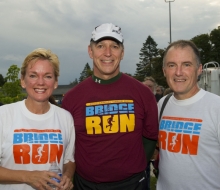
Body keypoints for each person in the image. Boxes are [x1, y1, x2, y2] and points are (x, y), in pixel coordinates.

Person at [62, 23, 158, 190]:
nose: (107, 53)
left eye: (114, 46)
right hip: (86, 185)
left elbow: (150, 138)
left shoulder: (143, 93)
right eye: (100, 46)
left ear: (122, 52)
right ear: (90, 51)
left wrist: (136, 168)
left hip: (133, 184)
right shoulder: (72, 98)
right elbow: (68, 146)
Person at [0, 48, 75, 190]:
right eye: (33, 75)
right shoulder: (3, 115)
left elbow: (69, 160)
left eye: (47, 76)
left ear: (55, 82)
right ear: (23, 81)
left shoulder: (65, 118)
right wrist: (27, 177)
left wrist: (67, 176)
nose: (40, 82)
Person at [157, 40, 220, 189]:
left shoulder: (216, 107)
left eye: (186, 64)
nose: (178, 72)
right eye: (172, 65)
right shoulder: (162, 104)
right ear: (165, 70)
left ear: (199, 69)